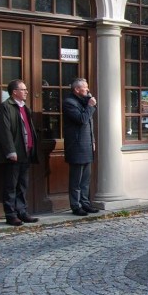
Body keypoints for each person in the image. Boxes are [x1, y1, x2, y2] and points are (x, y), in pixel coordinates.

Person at [0, 79, 40, 226]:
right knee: (11, 185)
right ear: (15, 92)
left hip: (26, 151)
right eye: (23, 89)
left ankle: (22, 211)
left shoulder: (25, 107)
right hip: (14, 153)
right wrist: (10, 151)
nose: (26, 92)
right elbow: (4, 132)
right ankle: (10, 214)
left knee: (22, 185)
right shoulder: (5, 107)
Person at [63, 78, 100, 215]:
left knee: (85, 179)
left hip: (87, 144)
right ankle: (76, 205)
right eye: (85, 87)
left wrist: (93, 141)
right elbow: (82, 120)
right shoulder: (69, 103)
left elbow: (90, 125)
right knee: (76, 180)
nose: (88, 90)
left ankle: (85, 203)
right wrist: (90, 106)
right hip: (76, 146)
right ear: (77, 90)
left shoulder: (84, 102)